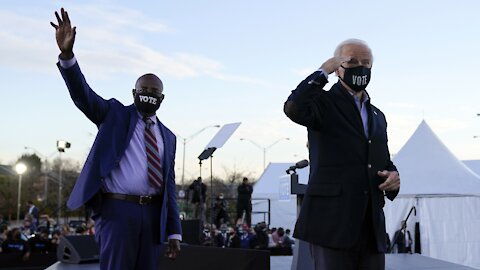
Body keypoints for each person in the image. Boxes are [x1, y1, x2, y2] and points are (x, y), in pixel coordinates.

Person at [50, 8, 181, 269]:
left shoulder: (169, 137)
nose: (148, 94)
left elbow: (170, 187)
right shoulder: (114, 114)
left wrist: (174, 231)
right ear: (134, 92)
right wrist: (67, 56)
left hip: (154, 214)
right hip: (118, 210)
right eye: (144, 89)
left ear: (162, 98)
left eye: (154, 91)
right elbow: (83, 95)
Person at [284, 39, 400, 270]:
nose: (360, 67)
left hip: (370, 225)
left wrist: (393, 177)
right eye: (352, 61)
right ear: (338, 67)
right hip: (331, 224)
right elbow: (294, 107)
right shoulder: (322, 103)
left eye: (366, 63)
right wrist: (322, 72)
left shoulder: (378, 115)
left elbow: (381, 160)